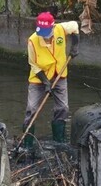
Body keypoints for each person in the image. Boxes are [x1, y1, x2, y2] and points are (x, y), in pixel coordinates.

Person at [22, 11, 80, 147]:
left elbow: (75, 26)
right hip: (39, 78)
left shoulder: (60, 29)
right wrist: (46, 82)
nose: (44, 36)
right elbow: (33, 65)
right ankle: (27, 144)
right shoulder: (32, 41)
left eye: (46, 32)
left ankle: (58, 140)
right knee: (32, 108)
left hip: (59, 75)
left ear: (53, 27)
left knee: (63, 108)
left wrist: (75, 47)